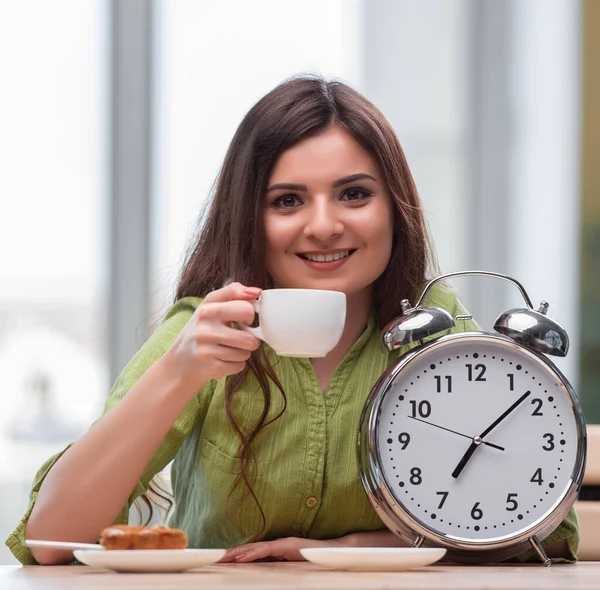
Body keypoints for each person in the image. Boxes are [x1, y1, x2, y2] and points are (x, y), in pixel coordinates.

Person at [7, 75, 578, 565]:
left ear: (395, 210)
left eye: (354, 194)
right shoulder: (202, 330)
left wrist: (366, 544)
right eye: (287, 201)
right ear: (250, 218)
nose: (324, 225)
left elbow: (536, 533)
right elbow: (51, 541)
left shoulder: (446, 338)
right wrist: (178, 371)